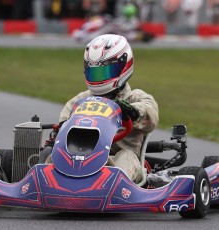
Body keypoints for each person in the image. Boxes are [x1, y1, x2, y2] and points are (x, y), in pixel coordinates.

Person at [52, 34, 159, 183]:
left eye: (104, 72)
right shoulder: (81, 99)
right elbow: (63, 124)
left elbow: (151, 115)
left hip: (118, 159)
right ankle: (49, 183)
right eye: (94, 72)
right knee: (52, 156)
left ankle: (113, 183)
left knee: (126, 156)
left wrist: (132, 111)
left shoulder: (135, 97)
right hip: (80, 157)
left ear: (124, 66)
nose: (99, 78)